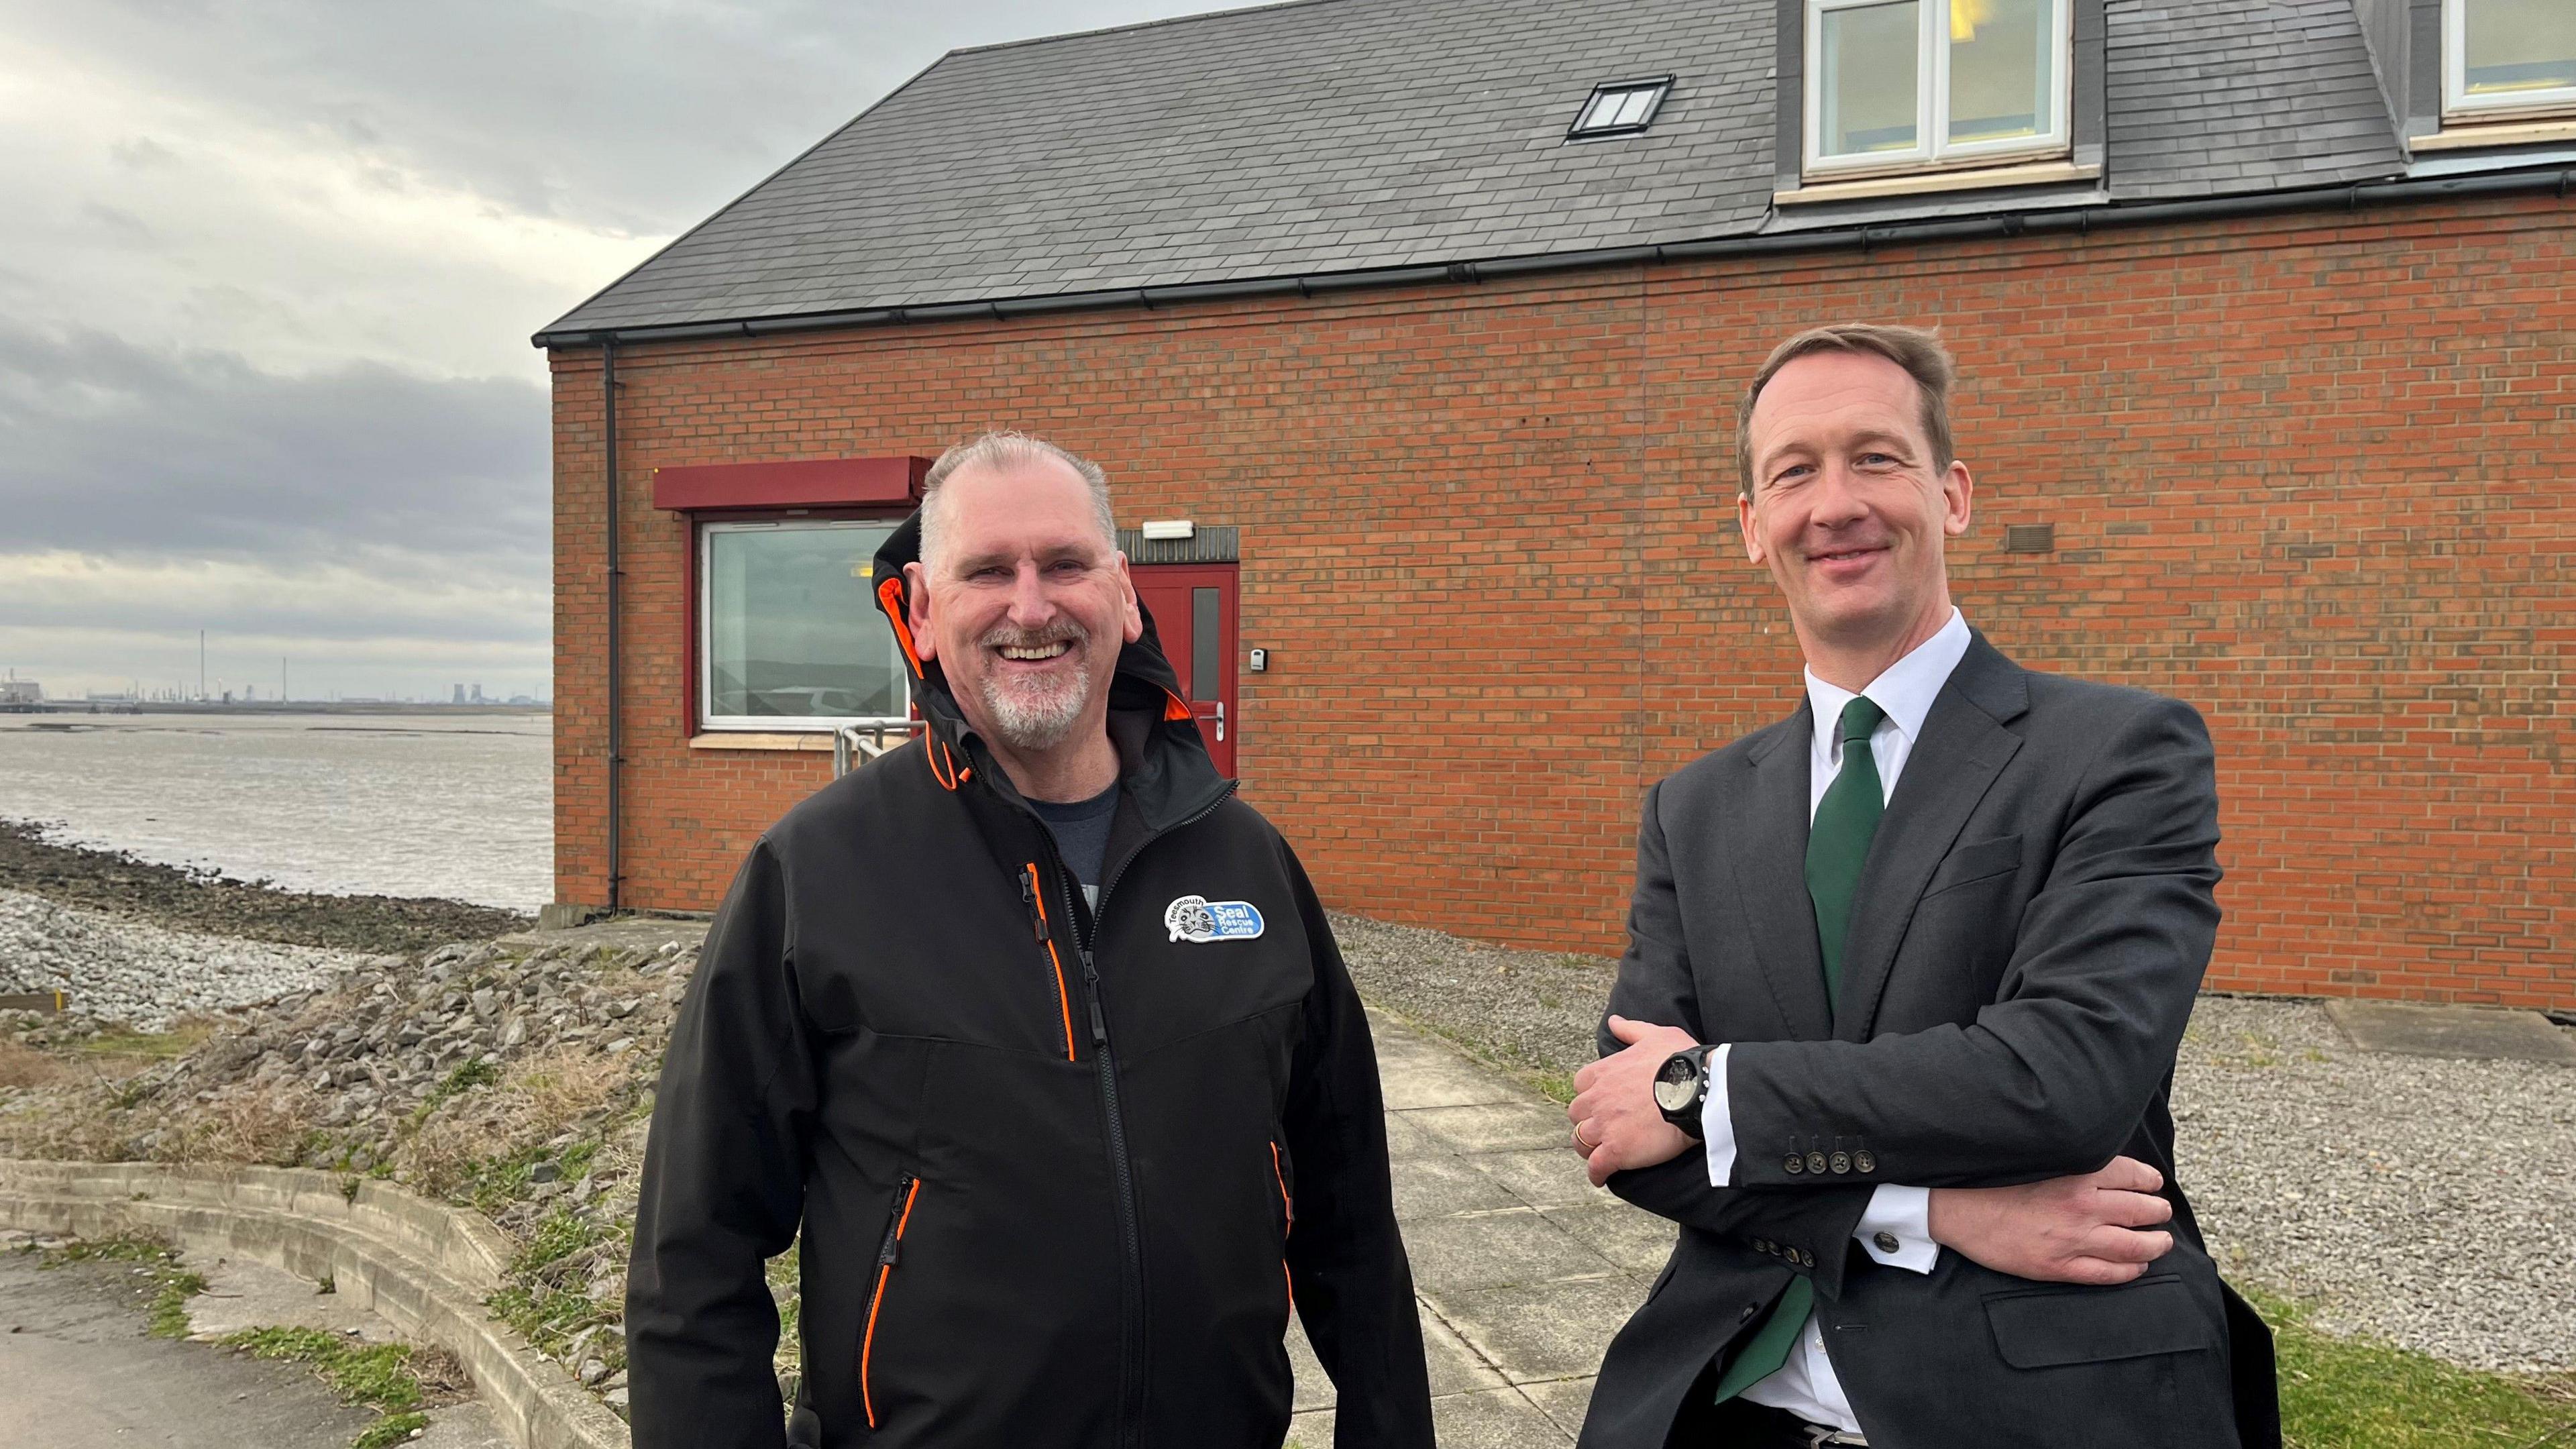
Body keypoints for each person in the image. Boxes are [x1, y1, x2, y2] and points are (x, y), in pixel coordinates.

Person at [625, 431, 1434, 1449]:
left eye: (1064, 565)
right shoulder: (816, 876)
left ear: (1126, 594)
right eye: (987, 573)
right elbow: (691, 1261)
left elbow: (1350, 1216)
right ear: (921, 611)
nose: (1032, 607)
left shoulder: (1246, 863)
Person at [1565, 326, 2277, 1449]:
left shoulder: (2121, 752)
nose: (1834, 503)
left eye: (1876, 459)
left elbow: (2064, 1079)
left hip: (2038, 1400)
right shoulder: (1693, 806)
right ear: (1753, 528)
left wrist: (1710, 1095)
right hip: (1732, 1400)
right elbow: (1624, 1126)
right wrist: (1937, 1210)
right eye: (1793, 471)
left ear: (1951, 494)